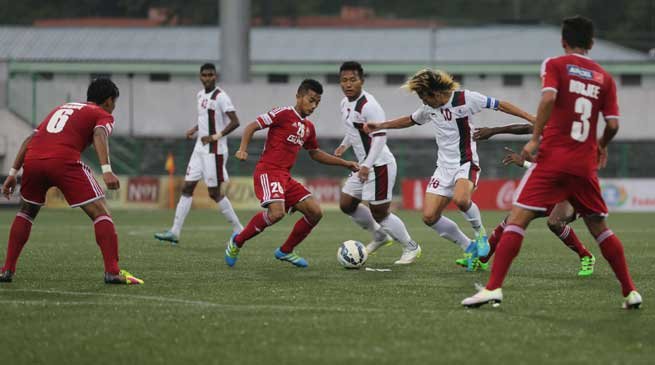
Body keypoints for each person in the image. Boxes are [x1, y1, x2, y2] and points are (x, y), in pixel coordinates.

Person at [462, 16, 641, 309]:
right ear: (592, 44)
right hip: (584, 165)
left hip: (554, 160)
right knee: (601, 228)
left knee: (516, 219)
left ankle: (493, 288)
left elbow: (547, 101)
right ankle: (630, 291)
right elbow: (612, 124)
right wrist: (603, 146)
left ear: (563, 41)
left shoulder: (555, 65)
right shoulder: (604, 78)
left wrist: (533, 140)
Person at [364, 69, 535, 271]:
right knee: (429, 217)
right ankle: (468, 246)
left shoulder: (466, 99)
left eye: (423, 96)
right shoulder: (429, 108)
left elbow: (500, 104)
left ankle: (480, 235)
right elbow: (410, 119)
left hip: (466, 162)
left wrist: (531, 117)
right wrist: (381, 125)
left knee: (461, 199)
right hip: (443, 167)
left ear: (435, 93)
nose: (423, 102)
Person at [0, 78, 143, 284]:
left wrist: (13, 172)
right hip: (64, 160)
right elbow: (99, 133)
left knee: (26, 211)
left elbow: (29, 139)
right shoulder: (101, 114)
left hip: (33, 160)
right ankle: (112, 272)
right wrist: (107, 170)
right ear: (109, 101)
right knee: (100, 212)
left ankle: (6, 270)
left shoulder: (62, 108)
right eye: (114, 104)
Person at [224, 79, 359, 268]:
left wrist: (346, 164)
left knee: (315, 212)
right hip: (268, 171)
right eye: (310, 100)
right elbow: (252, 126)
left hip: (285, 177)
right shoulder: (283, 114)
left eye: (317, 103)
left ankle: (285, 250)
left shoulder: (308, 127)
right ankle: (237, 241)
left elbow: (315, 153)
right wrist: (242, 149)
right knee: (276, 213)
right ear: (299, 96)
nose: (313, 106)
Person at [455, 125, 596, 276]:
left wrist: (526, 163)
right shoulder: (554, 126)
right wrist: (494, 131)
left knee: (555, 222)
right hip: (552, 186)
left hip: (573, 189)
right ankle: (482, 259)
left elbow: (559, 169)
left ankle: (586, 256)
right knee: (512, 219)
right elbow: (527, 128)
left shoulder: (574, 138)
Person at [334, 61, 421, 264]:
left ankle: (411, 246)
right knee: (347, 204)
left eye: (353, 80)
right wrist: (344, 145)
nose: (348, 84)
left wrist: (366, 165)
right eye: (344, 80)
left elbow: (380, 137)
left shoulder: (369, 105)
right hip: (364, 164)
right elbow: (353, 129)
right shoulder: (344, 103)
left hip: (379, 164)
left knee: (380, 212)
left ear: (362, 81)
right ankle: (380, 236)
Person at [155, 63, 243, 244]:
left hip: (214, 150)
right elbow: (204, 117)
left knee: (214, 193)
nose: (208, 78)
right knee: (187, 188)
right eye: (204, 75)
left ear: (215, 76)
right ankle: (175, 232)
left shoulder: (221, 97)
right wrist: (195, 129)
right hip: (199, 148)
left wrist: (214, 137)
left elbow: (235, 122)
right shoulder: (200, 95)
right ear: (200, 77)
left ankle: (239, 229)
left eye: (211, 75)